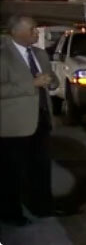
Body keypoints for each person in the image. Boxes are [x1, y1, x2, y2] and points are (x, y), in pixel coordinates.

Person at [1, 15, 62, 226]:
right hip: (15, 125)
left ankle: (43, 207)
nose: (37, 33)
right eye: (32, 29)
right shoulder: (3, 55)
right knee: (13, 173)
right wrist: (32, 84)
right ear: (16, 32)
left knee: (41, 169)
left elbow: (50, 79)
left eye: (36, 29)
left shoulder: (40, 53)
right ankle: (11, 213)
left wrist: (52, 82)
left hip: (41, 120)